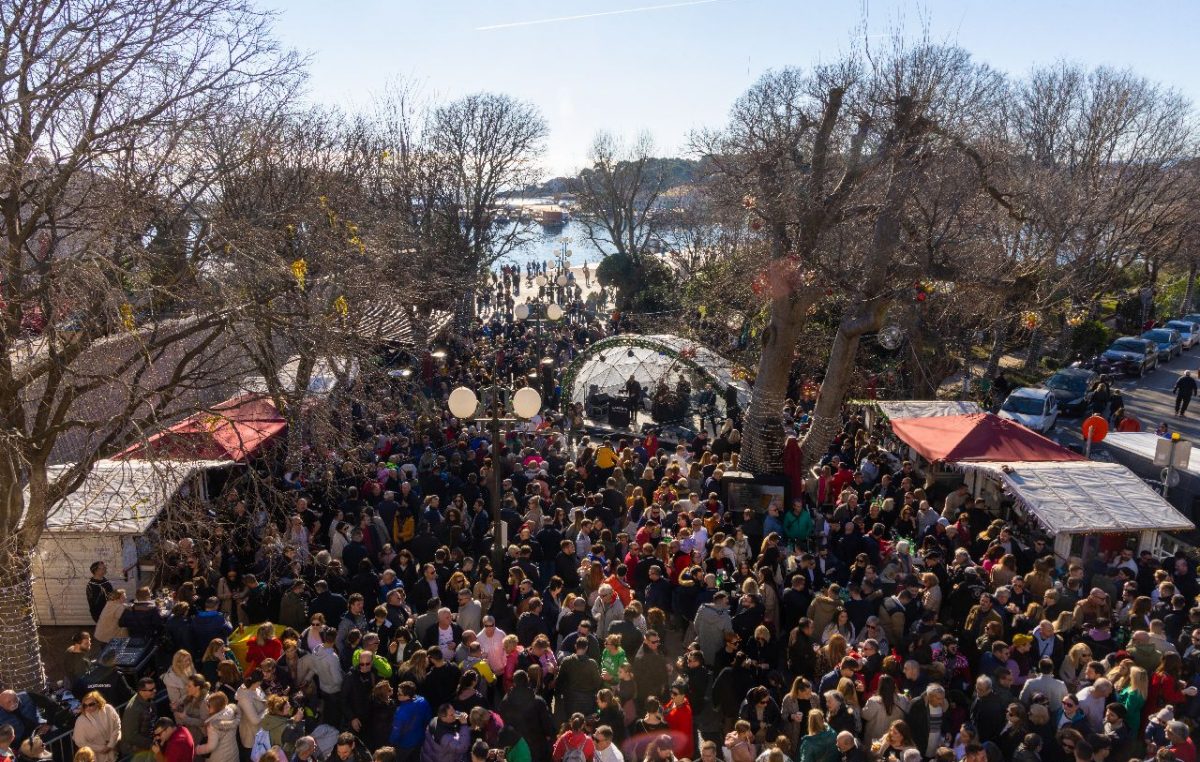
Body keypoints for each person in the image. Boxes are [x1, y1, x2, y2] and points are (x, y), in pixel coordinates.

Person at [71, 692, 121, 762]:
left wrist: (110, 745)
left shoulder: (108, 709)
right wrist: (101, 748)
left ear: (98, 702)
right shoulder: (80, 721)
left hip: (114, 752)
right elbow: (80, 742)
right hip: (96, 758)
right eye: (85, 705)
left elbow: (117, 727)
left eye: (91, 704)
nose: (88, 707)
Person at [120, 679, 158, 758]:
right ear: (141, 691)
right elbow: (130, 736)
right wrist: (150, 744)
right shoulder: (133, 710)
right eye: (151, 690)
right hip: (135, 751)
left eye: (154, 688)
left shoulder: (148, 699)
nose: (155, 691)